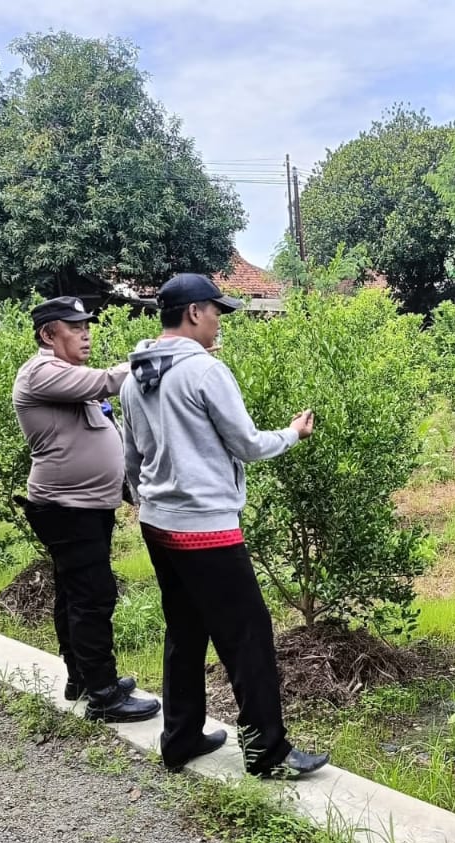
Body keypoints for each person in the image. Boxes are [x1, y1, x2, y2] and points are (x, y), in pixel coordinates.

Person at [120, 274, 329, 778]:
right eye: (217, 311)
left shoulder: (134, 377)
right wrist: (293, 434)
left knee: (185, 629)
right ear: (194, 312)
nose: (219, 321)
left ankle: (180, 738)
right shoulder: (205, 372)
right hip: (205, 527)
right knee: (247, 635)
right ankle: (267, 752)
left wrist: (149, 501)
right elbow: (247, 445)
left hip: (158, 522)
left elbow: (131, 457)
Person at [12, 296, 160, 723]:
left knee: (74, 593)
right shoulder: (41, 372)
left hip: (82, 507)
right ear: (48, 334)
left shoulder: (66, 376)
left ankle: (82, 678)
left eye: (86, 326)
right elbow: (108, 381)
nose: (86, 334)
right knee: (93, 597)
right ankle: (104, 695)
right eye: (74, 327)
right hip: (68, 509)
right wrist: (160, 356)